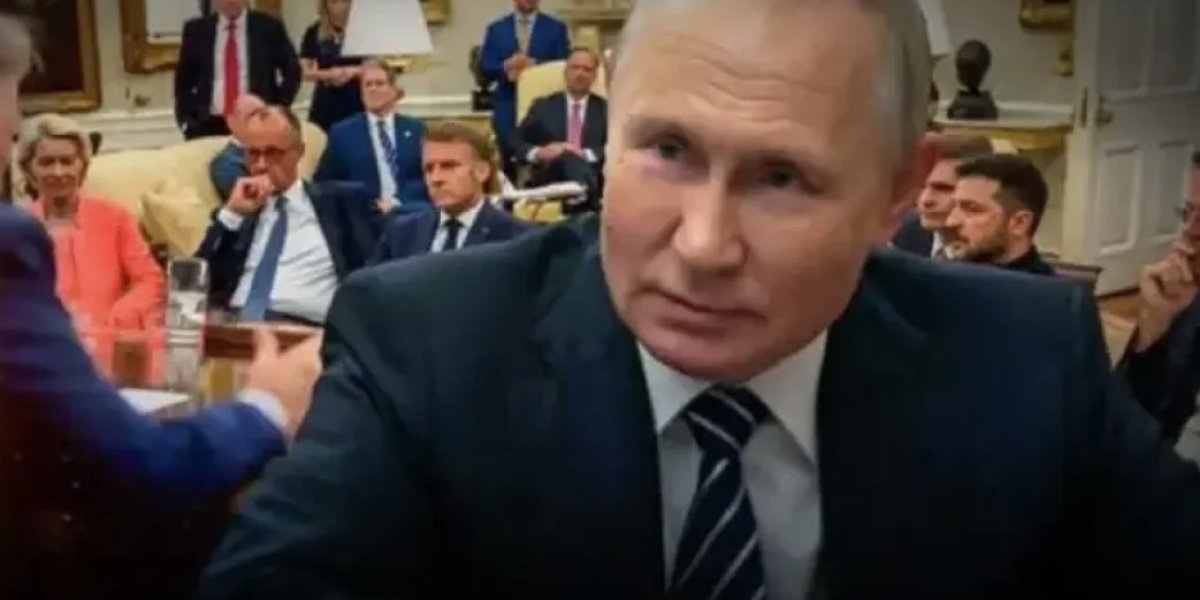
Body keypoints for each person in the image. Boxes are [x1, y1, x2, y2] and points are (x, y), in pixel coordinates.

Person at [200, 1, 1200, 597]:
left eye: (785, 177)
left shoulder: (1024, 355)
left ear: (899, 190)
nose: (704, 245)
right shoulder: (424, 341)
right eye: (669, 150)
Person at [0, 7, 320, 596]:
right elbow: (146, 467)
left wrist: (110, 322)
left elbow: (155, 281)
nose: (15, 119)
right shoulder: (14, 235)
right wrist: (269, 405)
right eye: (13, 97)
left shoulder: (110, 218)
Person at [196, 105, 381, 326]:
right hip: (235, 325)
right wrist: (232, 213)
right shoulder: (238, 214)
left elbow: (378, 270)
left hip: (304, 328)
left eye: (273, 153)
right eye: (253, 153)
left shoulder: (341, 203)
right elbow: (195, 279)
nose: (261, 165)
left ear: (298, 152)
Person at [18, 113, 165, 331]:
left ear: (83, 167)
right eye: (46, 163)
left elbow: (150, 280)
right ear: (29, 170)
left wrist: (120, 316)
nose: (58, 172)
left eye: (67, 162)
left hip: (110, 336)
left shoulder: (115, 217)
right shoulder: (17, 228)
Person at [1121, 151, 1200, 450]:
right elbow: (1131, 421)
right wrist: (1154, 326)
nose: (1190, 232)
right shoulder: (1187, 300)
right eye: (1188, 213)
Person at [369, 121, 530, 265]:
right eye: (429, 169)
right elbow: (370, 286)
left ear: (482, 171)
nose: (436, 178)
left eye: (448, 166)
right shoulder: (401, 233)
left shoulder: (518, 239)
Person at [315, 59, 430, 215]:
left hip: (409, 211)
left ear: (394, 91)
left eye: (379, 84)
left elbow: (426, 177)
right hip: (362, 215)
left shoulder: (416, 130)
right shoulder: (342, 133)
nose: (373, 89)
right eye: (367, 85)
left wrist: (397, 202)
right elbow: (325, 183)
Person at [174, 0, 301, 139]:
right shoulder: (197, 30)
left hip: (256, 123)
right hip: (208, 124)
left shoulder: (269, 27)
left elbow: (293, 71)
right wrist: (186, 120)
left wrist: (276, 109)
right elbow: (183, 82)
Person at [479, 0, 571, 181]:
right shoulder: (496, 29)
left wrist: (534, 67)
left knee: (546, 158)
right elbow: (485, 67)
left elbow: (564, 65)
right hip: (508, 104)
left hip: (544, 104)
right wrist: (506, 67)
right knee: (507, 156)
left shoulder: (556, 28)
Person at [514, 47, 608, 213]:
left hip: (592, 171)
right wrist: (539, 153)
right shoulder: (543, 106)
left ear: (594, 76)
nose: (580, 74)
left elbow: (615, 147)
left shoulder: (606, 110)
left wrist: (584, 154)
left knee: (570, 156)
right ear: (566, 72)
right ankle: (587, 198)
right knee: (565, 156)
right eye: (575, 68)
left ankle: (581, 197)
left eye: (587, 70)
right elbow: (516, 142)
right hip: (551, 176)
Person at [943, 154, 1056, 275]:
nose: (950, 221)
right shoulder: (946, 277)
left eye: (972, 209)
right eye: (953, 206)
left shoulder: (1043, 286)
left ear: (1020, 223)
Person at [891, 133, 992, 257]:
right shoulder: (904, 232)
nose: (925, 200)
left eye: (944, 189)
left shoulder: (1000, 250)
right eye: (921, 186)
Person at [299, 0, 363, 132]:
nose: (341, 7)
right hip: (325, 102)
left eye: (345, 1)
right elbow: (303, 71)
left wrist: (351, 72)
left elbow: (376, 67)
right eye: (334, 2)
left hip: (358, 100)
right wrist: (328, 75)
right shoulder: (314, 32)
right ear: (325, 5)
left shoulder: (364, 30)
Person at [210, 93, 265, 202]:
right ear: (231, 122)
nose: (261, 122)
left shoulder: (275, 149)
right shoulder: (225, 164)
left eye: (264, 116)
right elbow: (253, 200)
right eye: (253, 116)